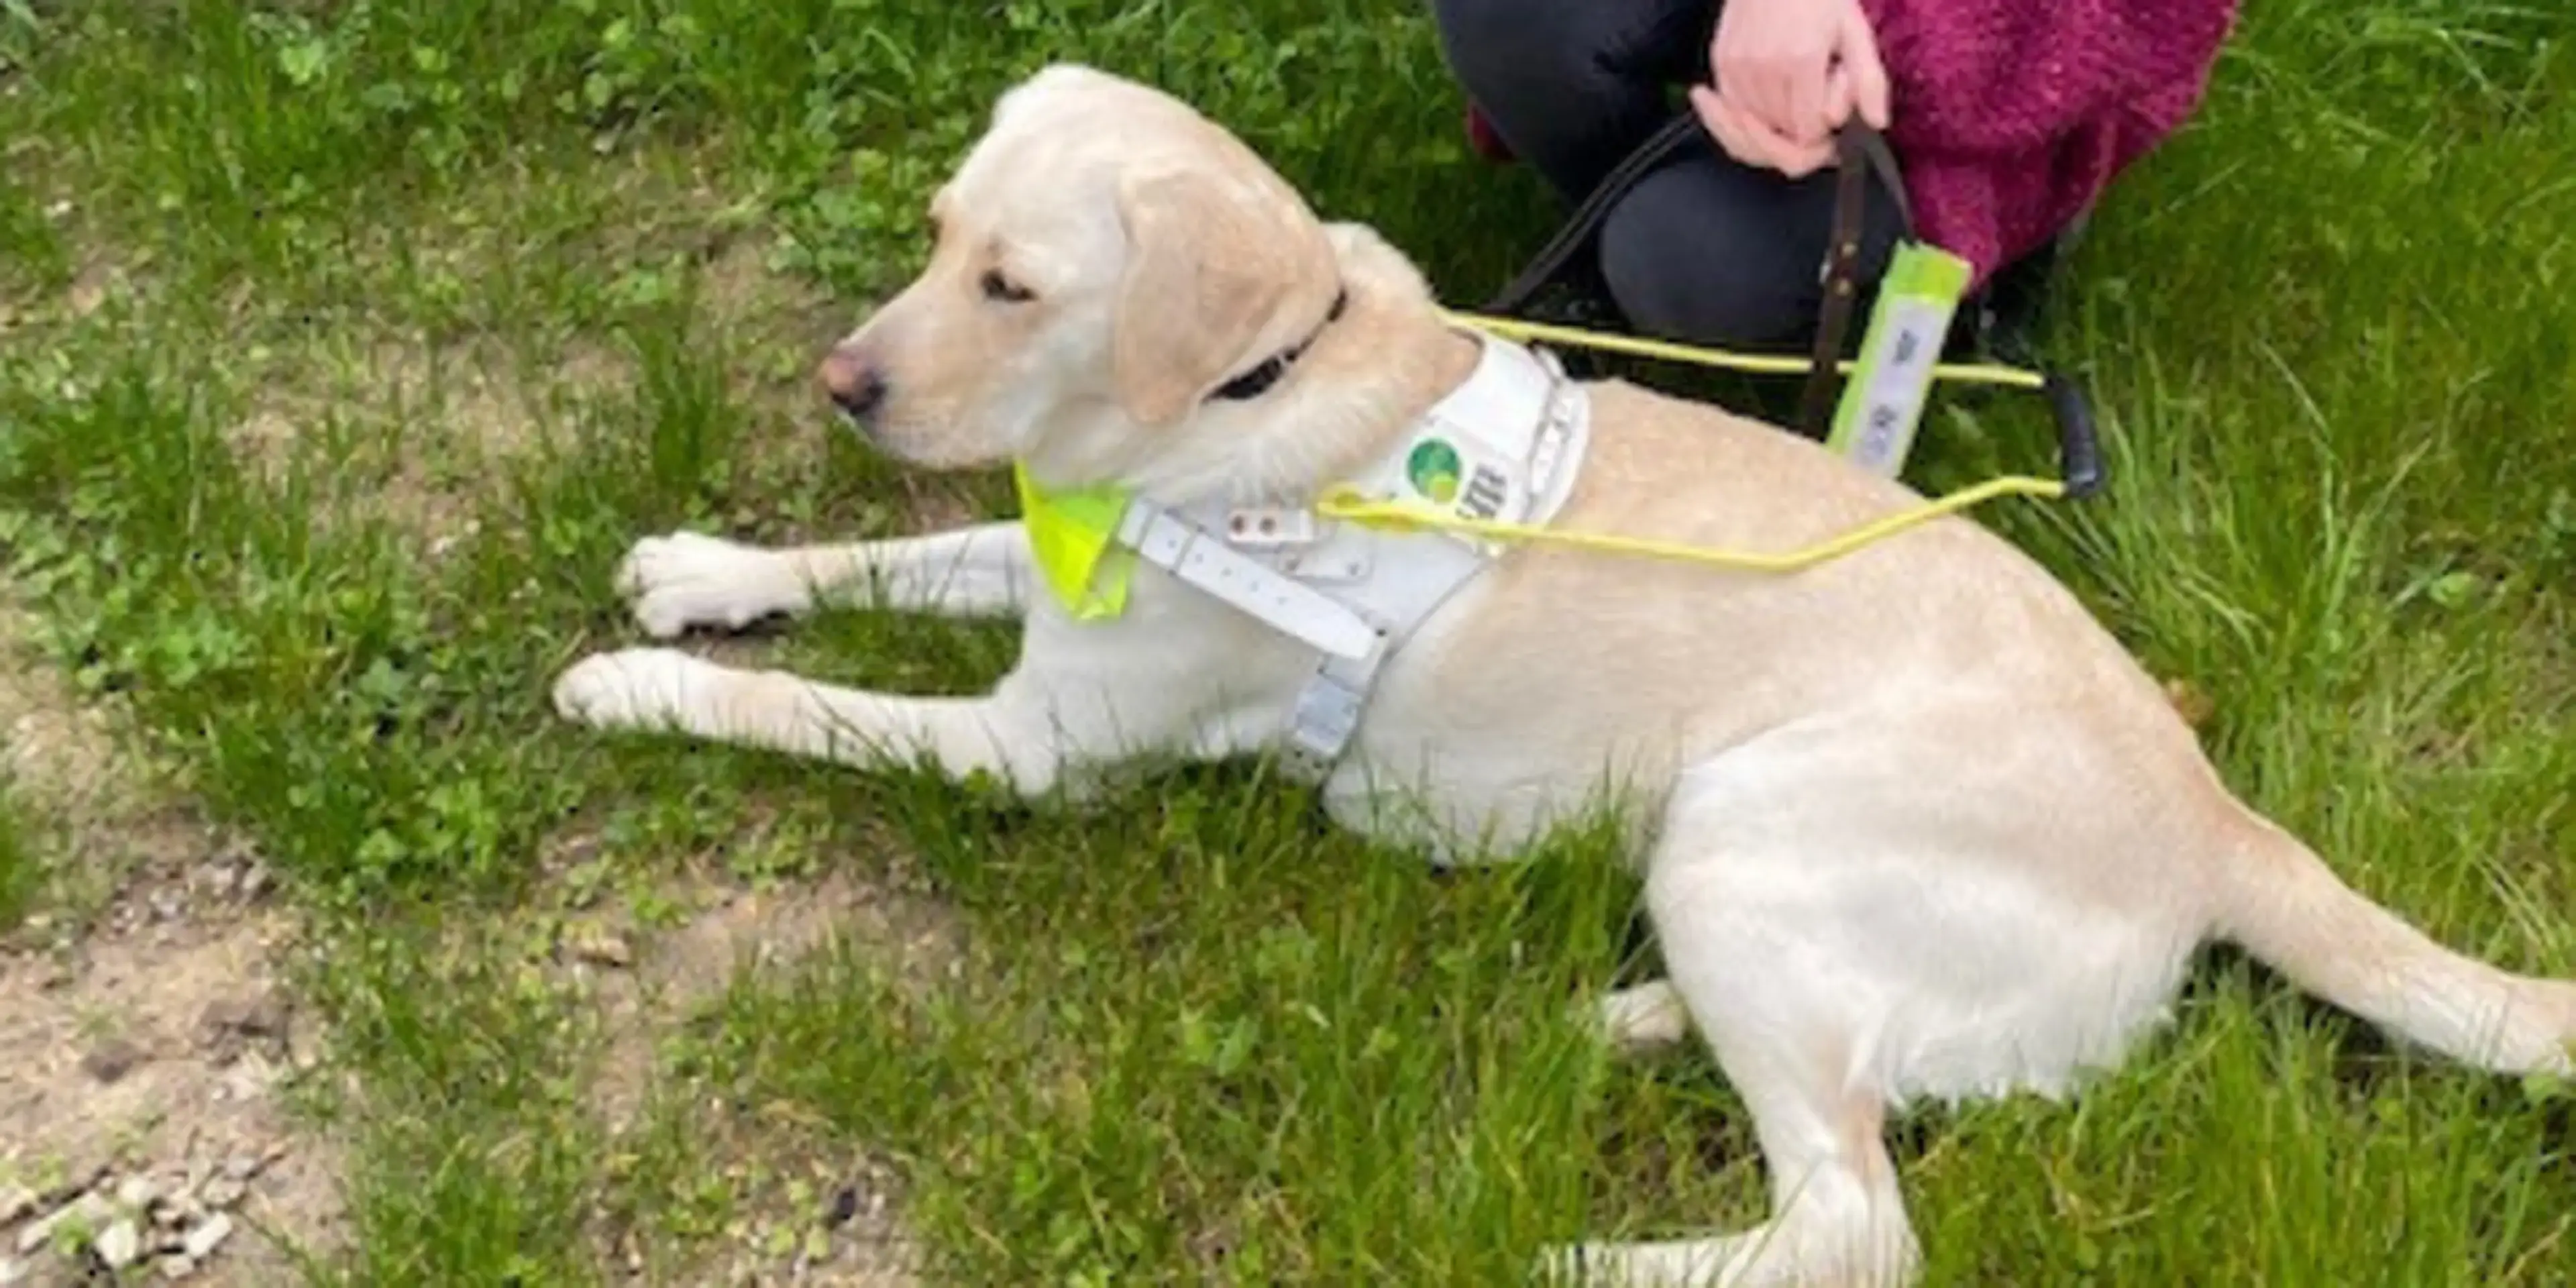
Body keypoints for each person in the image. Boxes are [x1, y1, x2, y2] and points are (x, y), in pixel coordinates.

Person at [1430, 0, 2241, 354]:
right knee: (1509, 15)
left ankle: (1939, 300)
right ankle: (1613, 257)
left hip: (1990, 58)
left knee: (1691, 259)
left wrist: (1874, 45)